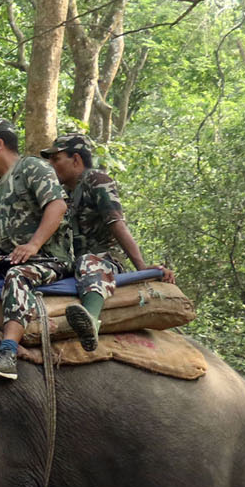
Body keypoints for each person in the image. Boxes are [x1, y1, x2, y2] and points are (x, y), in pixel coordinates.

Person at [38, 132, 173, 351]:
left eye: (56, 159)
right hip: (73, 261)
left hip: (103, 261)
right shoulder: (62, 195)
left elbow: (116, 223)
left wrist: (141, 268)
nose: (51, 165)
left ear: (76, 159)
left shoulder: (98, 181)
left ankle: (90, 319)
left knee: (89, 262)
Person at [0, 117, 73, 381]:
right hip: (6, 257)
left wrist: (34, 244)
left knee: (18, 276)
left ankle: (8, 353)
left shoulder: (34, 168)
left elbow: (57, 206)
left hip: (48, 258)